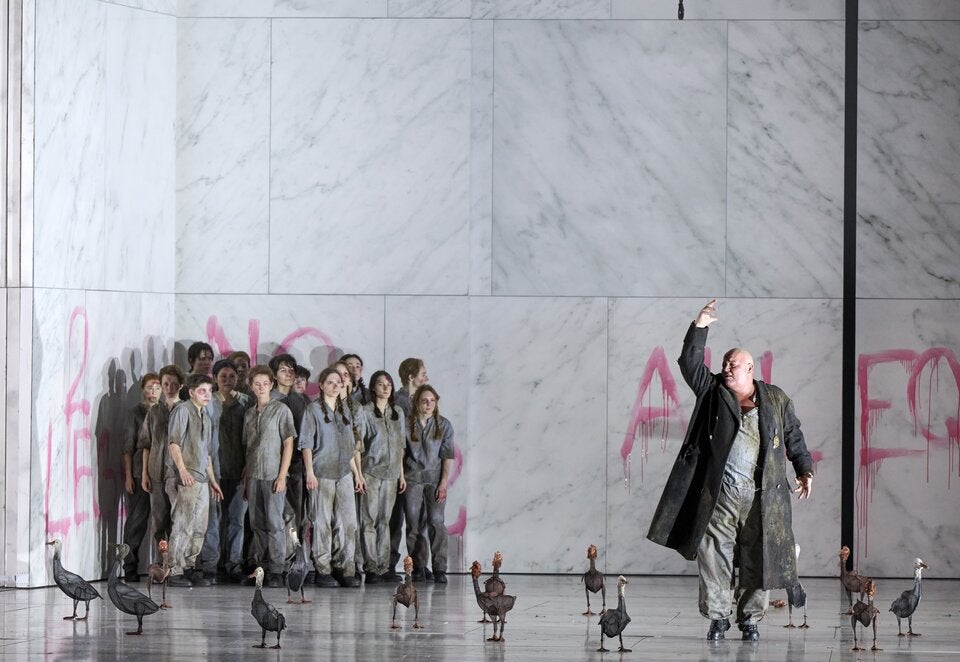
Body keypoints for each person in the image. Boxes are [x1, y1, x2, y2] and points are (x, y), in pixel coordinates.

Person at [646, 299, 814, 642]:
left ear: (749, 368)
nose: (725, 368)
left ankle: (750, 619)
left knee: (759, 556)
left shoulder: (776, 399)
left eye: (732, 364)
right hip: (719, 495)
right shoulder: (712, 392)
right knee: (713, 555)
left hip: (762, 497)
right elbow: (690, 363)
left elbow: (793, 435)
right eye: (724, 362)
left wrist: (804, 470)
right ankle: (718, 617)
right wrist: (700, 325)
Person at [300, 368, 366, 588]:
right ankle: (323, 569)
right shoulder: (312, 410)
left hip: (344, 473)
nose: (336, 385)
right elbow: (306, 444)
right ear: (321, 385)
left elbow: (349, 447)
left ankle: (346, 568)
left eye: (339, 382)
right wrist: (310, 472)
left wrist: (357, 474)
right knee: (322, 522)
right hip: (322, 472)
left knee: (348, 523)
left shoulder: (345, 410)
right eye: (330, 382)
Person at [165, 374, 224, 587]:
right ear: (191, 392)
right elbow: (174, 443)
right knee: (183, 523)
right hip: (184, 475)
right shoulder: (183, 411)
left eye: (209, 391)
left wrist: (212, 480)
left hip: (201, 478)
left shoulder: (205, 416)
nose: (207, 395)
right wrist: (182, 470)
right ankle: (174, 569)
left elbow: (205, 453)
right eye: (202, 391)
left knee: (199, 525)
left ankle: (189, 566)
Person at [243, 365, 296, 588]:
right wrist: (245, 479)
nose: (261, 387)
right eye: (257, 384)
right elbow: (248, 448)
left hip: (273, 474)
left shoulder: (281, 410)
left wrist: (282, 476)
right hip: (254, 475)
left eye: (265, 383)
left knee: (275, 523)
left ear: (272, 384)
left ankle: (277, 569)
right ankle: (262, 566)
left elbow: (288, 443)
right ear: (251, 386)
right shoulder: (249, 413)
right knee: (257, 523)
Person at [200, 359, 252, 583]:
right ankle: (210, 565)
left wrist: (249, 465)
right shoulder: (208, 402)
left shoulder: (246, 402)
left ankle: (234, 565)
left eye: (232, 376)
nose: (228, 380)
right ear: (215, 378)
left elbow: (252, 436)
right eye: (223, 376)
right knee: (213, 519)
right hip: (214, 471)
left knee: (237, 520)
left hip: (239, 470)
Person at [359, 371, 407, 583]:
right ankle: (371, 567)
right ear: (373, 387)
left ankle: (383, 566)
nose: (386, 388)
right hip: (371, 471)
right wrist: (359, 474)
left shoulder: (398, 412)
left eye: (389, 384)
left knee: (384, 521)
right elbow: (359, 444)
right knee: (369, 520)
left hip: (392, 474)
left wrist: (401, 475)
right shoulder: (366, 411)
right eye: (381, 384)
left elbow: (401, 446)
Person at [403, 385, 454, 584]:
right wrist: (401, 477)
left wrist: (443, 483)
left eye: (432, 400)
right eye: (424, 400)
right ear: (417, 402)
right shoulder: (406, 424)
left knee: (436, 522)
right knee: (414, 524)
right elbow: (401, 453)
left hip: (434, 480)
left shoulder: (444, 425)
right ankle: (418, 567)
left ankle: (440, 568)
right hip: (412, 478)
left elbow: (447, 456)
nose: (429, 404)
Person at [387, 357, 429, 578]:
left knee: (418, 521)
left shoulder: (422, 399)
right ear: (411, 377)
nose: (426, 378)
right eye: (423, 374)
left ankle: (419, 564)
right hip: (400, 468)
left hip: (418, 469)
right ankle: (389, 564)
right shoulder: (398, 401)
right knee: (396, 520)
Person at [120, 373, 162, 581]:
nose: (154, 392)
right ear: (143, 390)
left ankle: (163, 566)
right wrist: (129, 476)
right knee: (137, 519)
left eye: (157, 387)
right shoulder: (135, 413)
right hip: (139, 472)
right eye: (150, 387)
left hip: (161, 471)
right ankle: (129, 565)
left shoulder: (165, 410)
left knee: (162, 520)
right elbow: (128, 447)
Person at [139, 364, 185, 545]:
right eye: (166, 384)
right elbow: (146, 444)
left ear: (181, 385)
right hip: (156, 472)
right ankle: (163, 558)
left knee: (178, 518)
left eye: (174, 384)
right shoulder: (154, 411)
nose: (169, 388)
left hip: (178, 474)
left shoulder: (186, 410)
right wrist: (144, 473)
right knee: (159, 520)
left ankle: (177, 558)